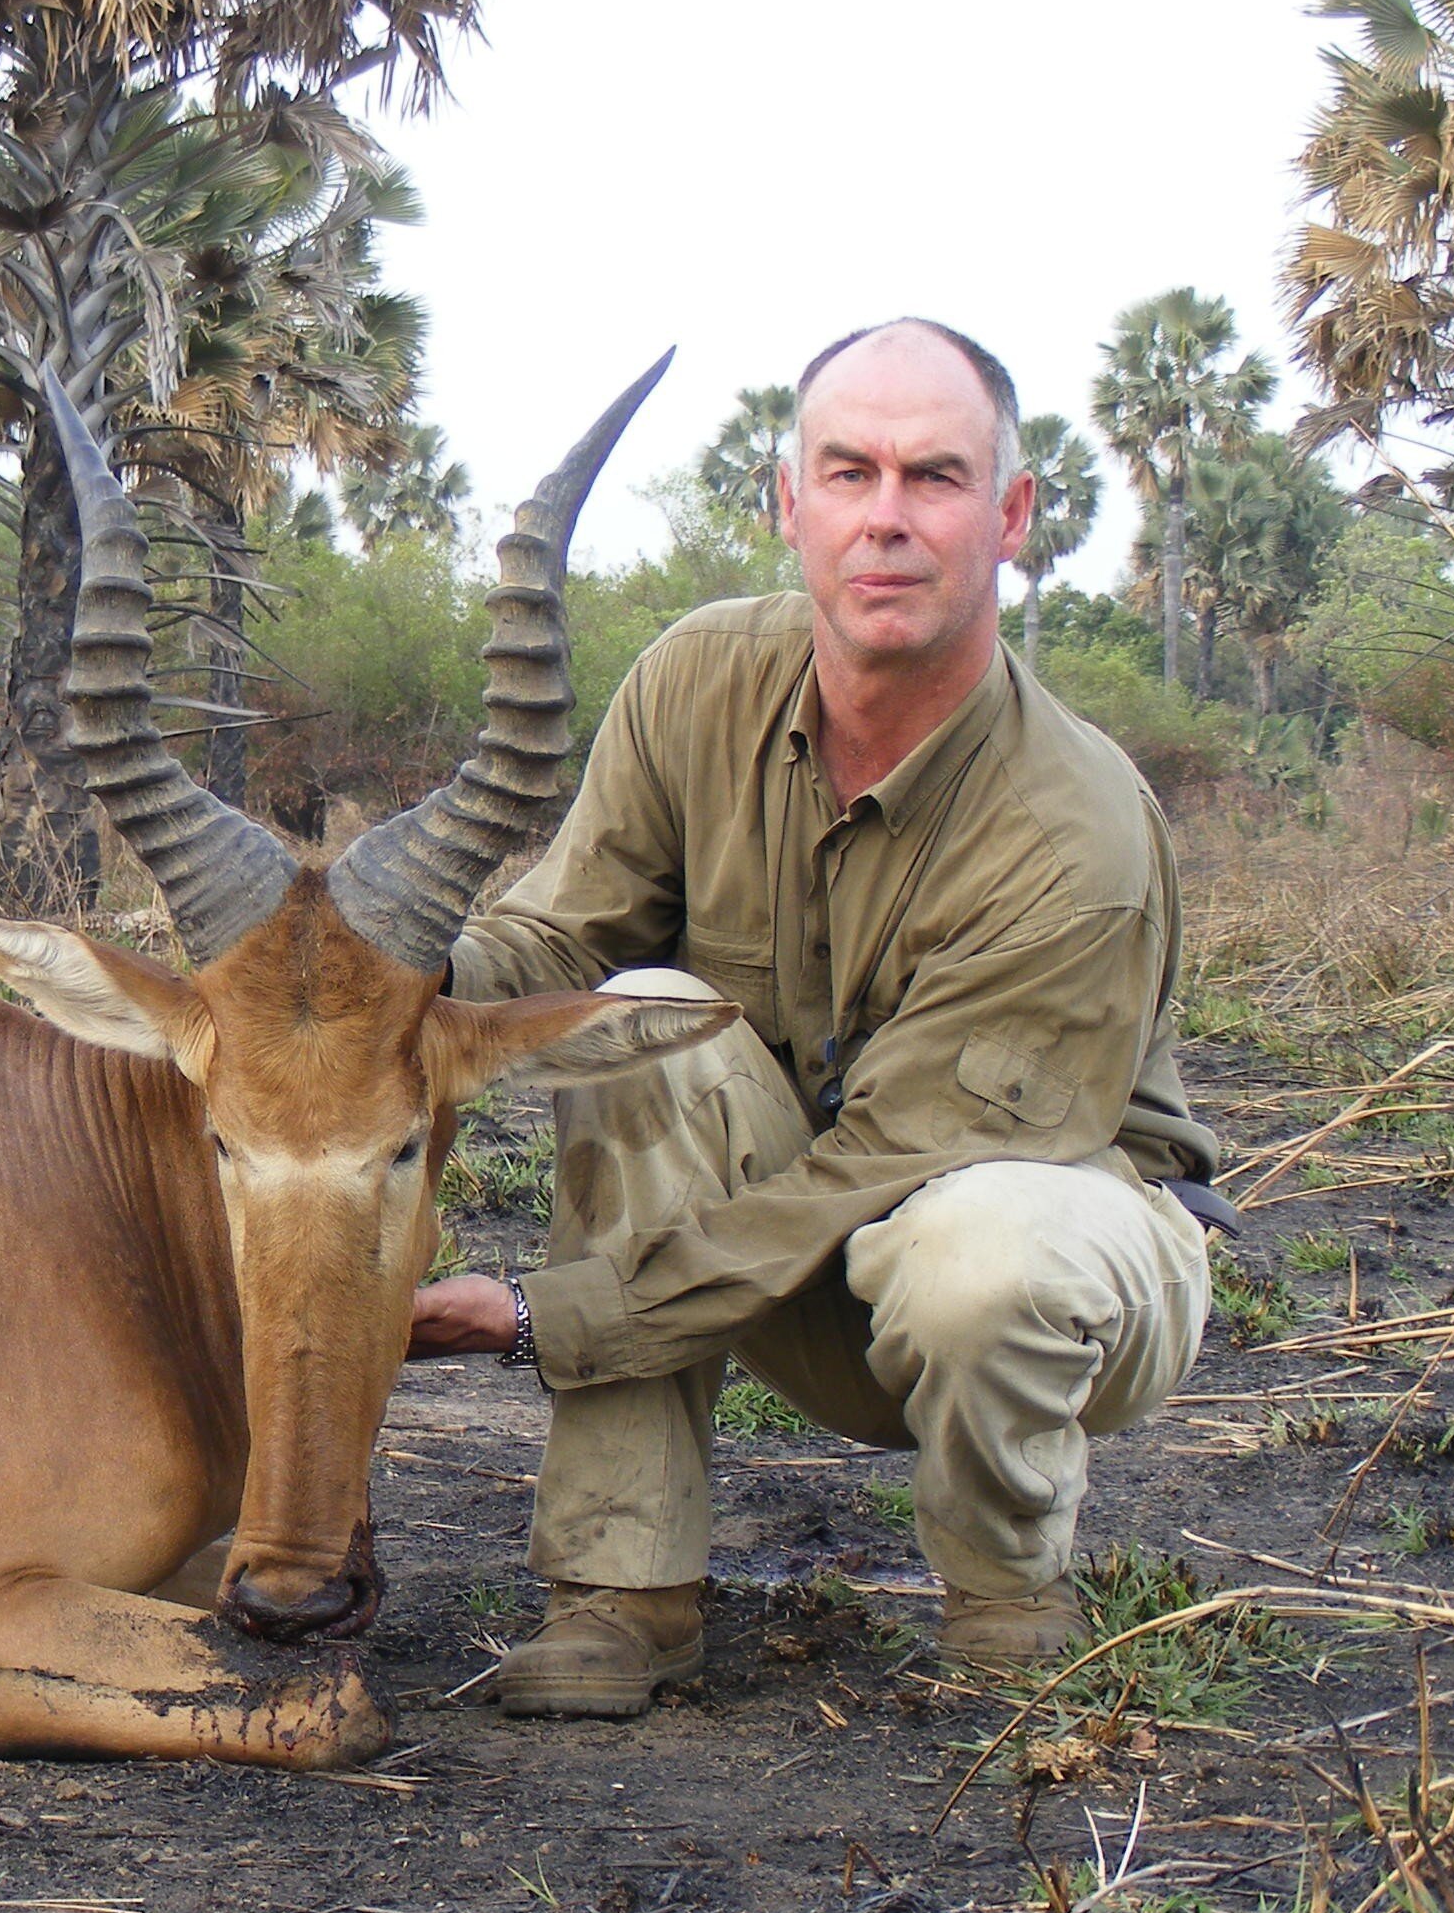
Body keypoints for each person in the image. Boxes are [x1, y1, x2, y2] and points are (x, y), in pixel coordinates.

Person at [410, 318, 1224, 1717]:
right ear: (789, 503)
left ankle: (1008, 1611)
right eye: (849, 474)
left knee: (986, 1252)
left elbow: (893, 1163)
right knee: (642, 1013)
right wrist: (394, 985)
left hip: (1028, 1266)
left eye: (937, 478)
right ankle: (622, 1598)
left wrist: (540, 1315)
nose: (888, 520)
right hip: (799, 1256)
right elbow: (560, 934)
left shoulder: (1076, 829)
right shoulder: (697, 678)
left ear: (1014, 516)